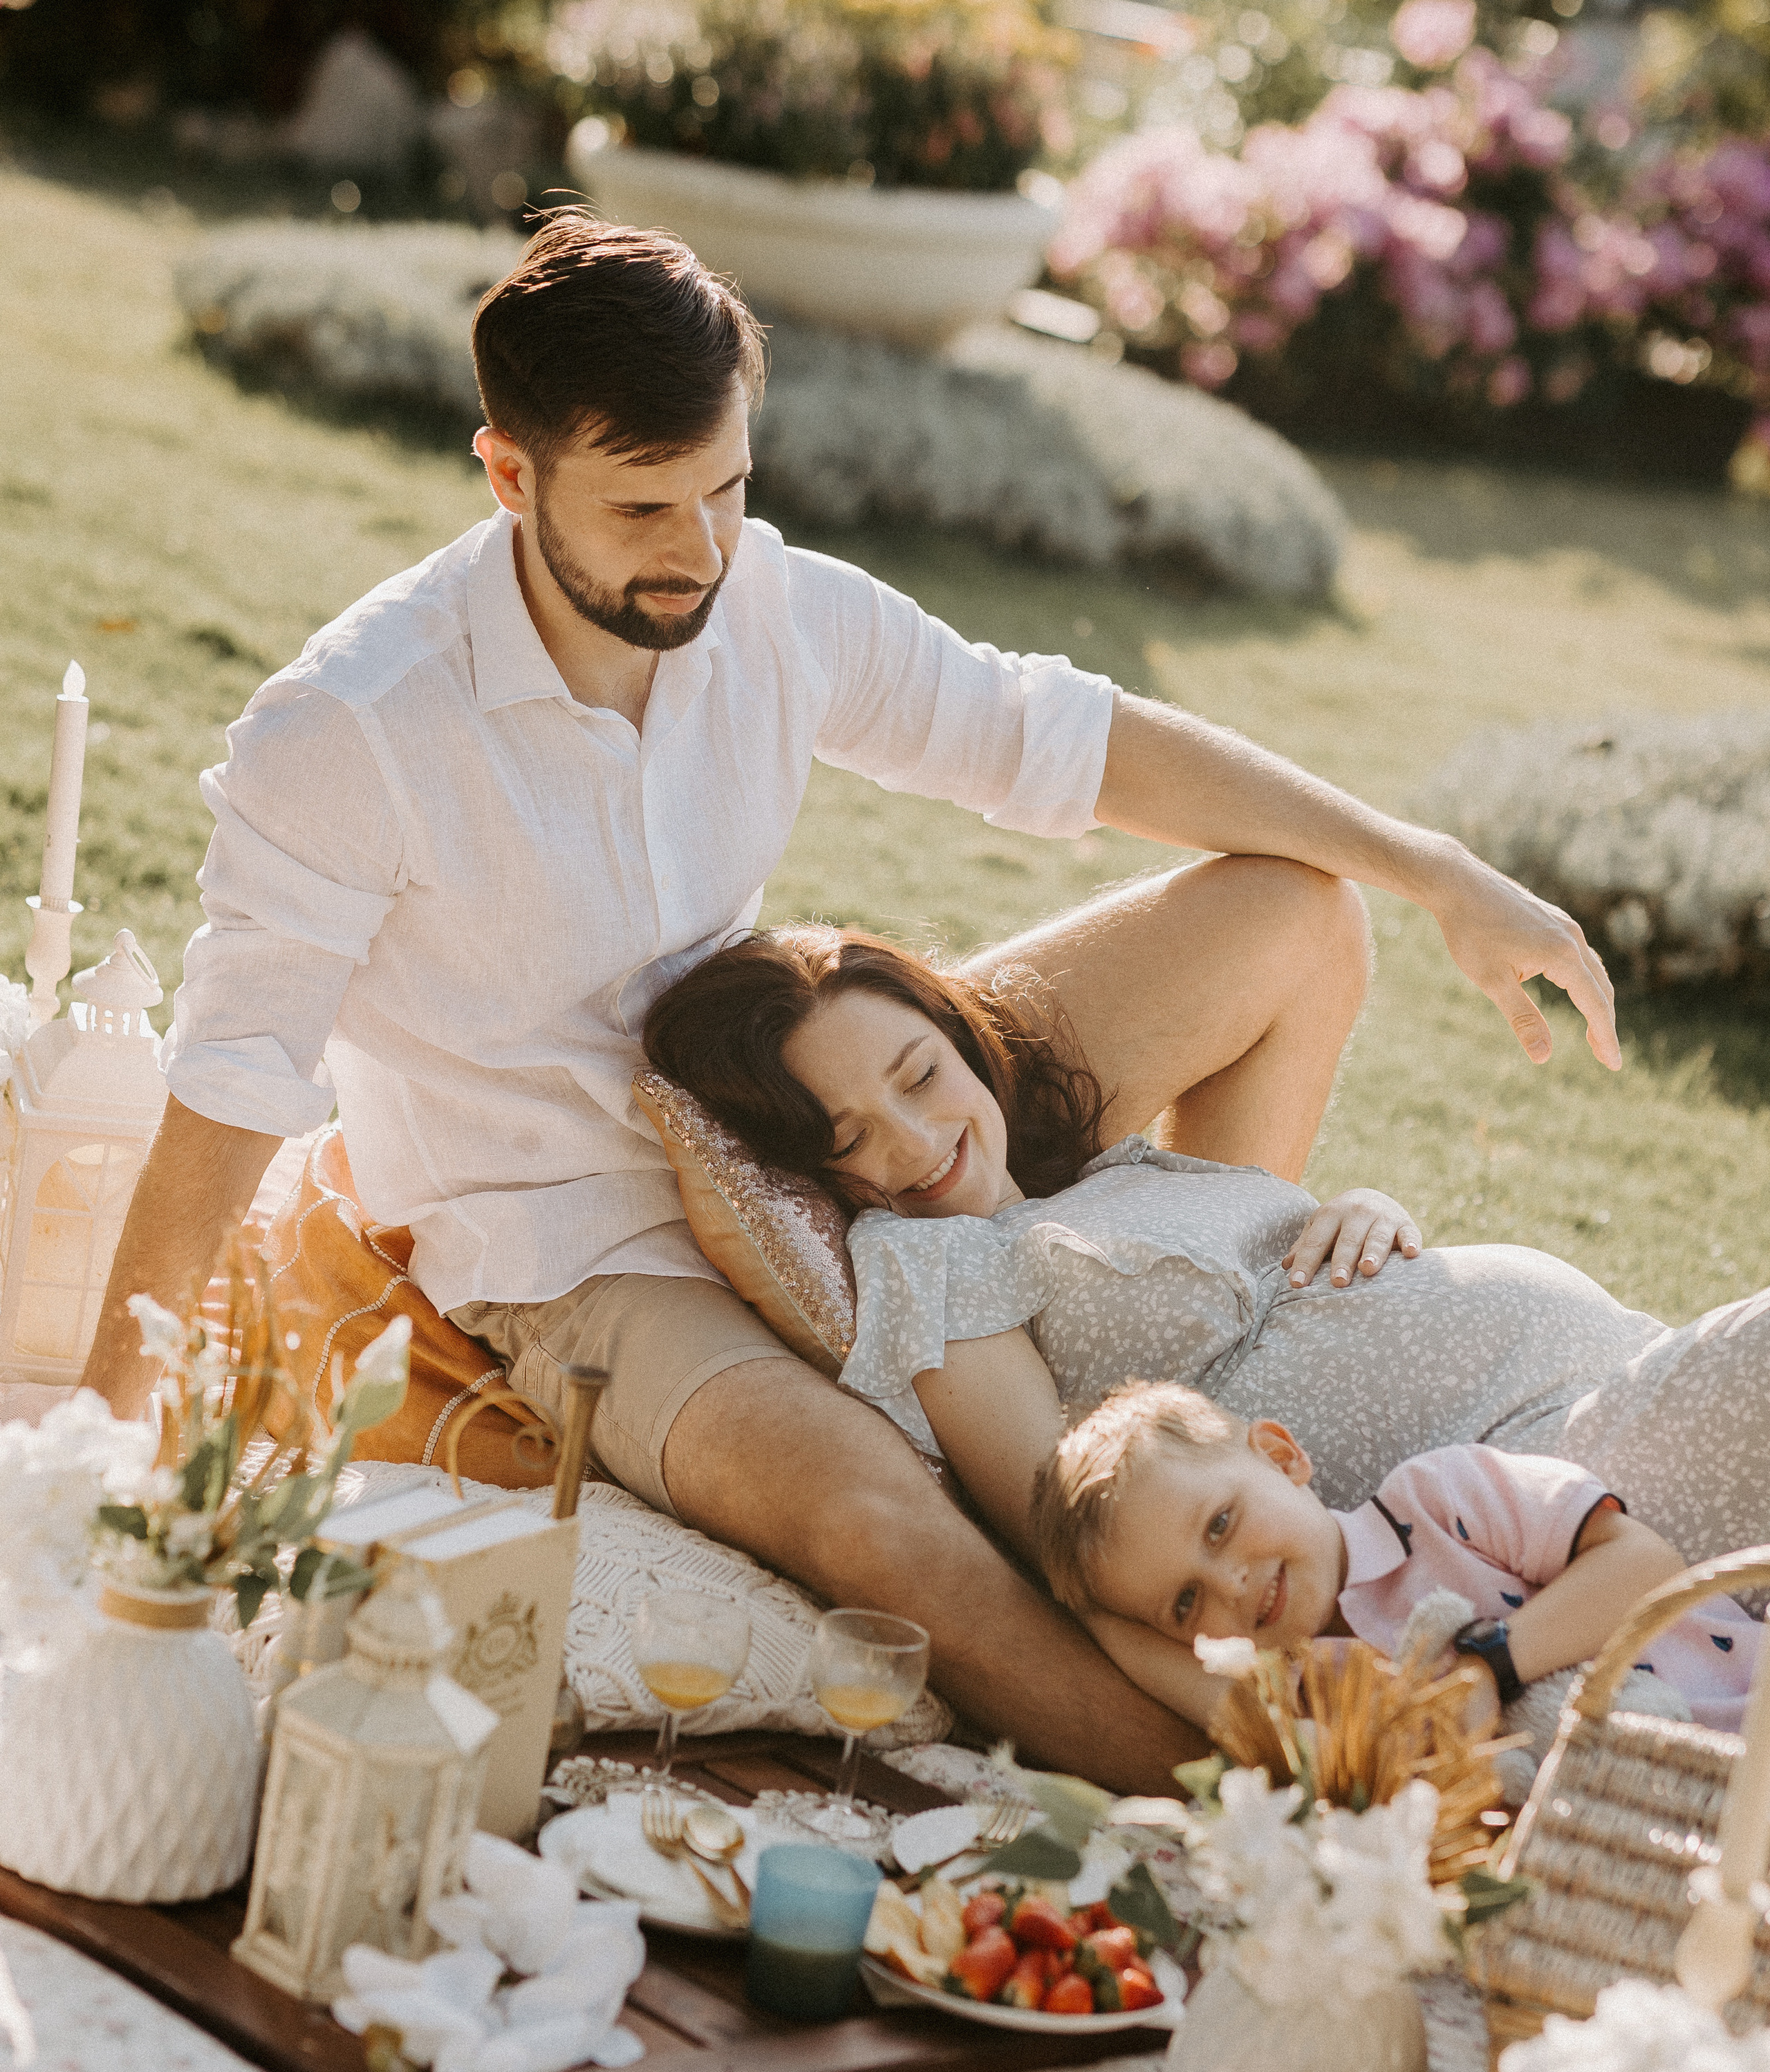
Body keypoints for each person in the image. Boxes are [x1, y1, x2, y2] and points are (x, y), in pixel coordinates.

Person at [83, 212, 1623, 1786]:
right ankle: (1291, 1792)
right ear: (506, 476)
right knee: (879, 1513)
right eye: (641, 507)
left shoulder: (762, 601)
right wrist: (87, 1460)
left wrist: (1432, 866)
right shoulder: (347, 730)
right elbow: (230, 1098)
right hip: (582, 1246)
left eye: (726, 490)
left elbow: (1055, 735)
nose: (696, 548)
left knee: (1291, 915)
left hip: (811, 1101)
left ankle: (1204, 1417)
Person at [643, 926, 1769, 1618]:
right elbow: (1072, 1550)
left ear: (954, 1032)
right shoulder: (928, 1269)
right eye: (846, 1137)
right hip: (1545, 1484)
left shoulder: (1101, 1179)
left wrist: (1359, 1212)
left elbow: (1283, 1265)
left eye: (917, 1075)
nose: (910, 1140)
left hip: (1611, 1378)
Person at [1025, 1383, 1764, 1743]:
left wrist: (1485, 1670)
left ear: (1281, 1458)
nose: (1231, 1585)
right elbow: (1152, 1661)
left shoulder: (1436, 1500)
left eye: (1221, 1525)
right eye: (1185, 1603)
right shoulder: (1307, 1699)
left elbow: (1645, 1566)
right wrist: (1092, 1610)